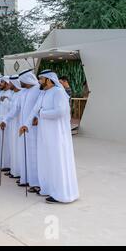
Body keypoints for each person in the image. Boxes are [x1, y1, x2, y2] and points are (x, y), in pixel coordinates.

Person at [21, 70, 79, 204]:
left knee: (56, 162)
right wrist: (26, 124)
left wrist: (42, 114)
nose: (39, 81)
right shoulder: (44, 93)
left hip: (56, 135)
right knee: (46, 161)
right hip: (45, 135)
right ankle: (48, 189)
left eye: (41, 79)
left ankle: (61, 194)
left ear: (48, 79)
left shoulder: (58, 92)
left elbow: (60, 112)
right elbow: (34, 110)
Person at [17, 69, 42, 190]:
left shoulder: (38, 90)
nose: (20, 83)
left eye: (21, 81)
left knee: (34, 156)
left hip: (34, 128)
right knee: (26, 154)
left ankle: (36, 183)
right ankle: (27, 179)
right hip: (24, 127)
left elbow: (40, 106)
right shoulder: (24, 91)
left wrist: (37, 117)